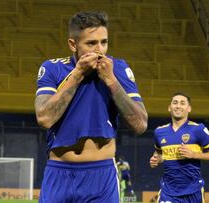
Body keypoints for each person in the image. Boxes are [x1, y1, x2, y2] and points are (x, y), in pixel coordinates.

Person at [35, 11, 148, 203]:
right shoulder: (53, 68)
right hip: (59, 172)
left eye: (104, 42)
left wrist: (111, 80)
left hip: (101, 175)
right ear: (73, 44)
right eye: (91, 43)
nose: (99, 50)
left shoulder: (118, 69)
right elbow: (45, 118)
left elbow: (140, 124)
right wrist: (78, 74)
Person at [149, 92, 209, 203]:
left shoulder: (198, 130)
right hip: (168, 192)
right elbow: (159, 153)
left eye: (182, 103)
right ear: (169, 108)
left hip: (193, 192)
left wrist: (194, 154)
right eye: (175, 103)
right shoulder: (159, 132)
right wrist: (157, 159)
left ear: (189, 108)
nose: (178, 106)